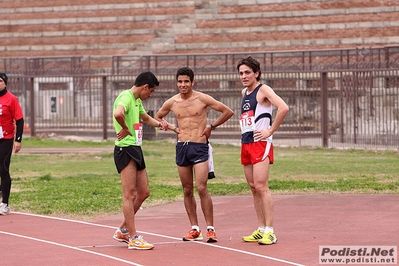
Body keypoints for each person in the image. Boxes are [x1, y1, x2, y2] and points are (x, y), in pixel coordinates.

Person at [155, 67, 234, 243]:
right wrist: (171, 127)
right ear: (177, 82)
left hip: (199, 146)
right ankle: (194, 228)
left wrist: (211, 127)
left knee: (201, 187)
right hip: (182, 146)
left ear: (192, 82)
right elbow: (158, 117)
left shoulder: (202, 98)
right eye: (180, 81)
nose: (183, 85)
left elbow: (227, 111)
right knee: (187, 189)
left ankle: (211, 229)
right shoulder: (172, 102)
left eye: (186, 81)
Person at [112, 71, 168, 250]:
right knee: (130, 194)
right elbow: (118, 113)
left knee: (144, 192)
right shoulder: (126, 97)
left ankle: (122, 230)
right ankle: (133, 237)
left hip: (135, 148)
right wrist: (125, 128)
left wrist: (162, 124)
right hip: (125, 148)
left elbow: (145, 118)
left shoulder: (137, 100)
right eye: (150, 92)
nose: (150, 95)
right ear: (145, 87)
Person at [236, 56, 289, 245]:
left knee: (261, 186)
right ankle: (260, 229)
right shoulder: (244, 92)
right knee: (252, 188)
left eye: (247, 72)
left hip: (261, 143)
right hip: (246, 143)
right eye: (241, 73)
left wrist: (270, 130)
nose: (244, 76)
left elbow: (283, 107)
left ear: (256, 73)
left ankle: (270, 230)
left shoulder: (263, 89)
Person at [0, 72, 24, 216]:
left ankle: (5, 204)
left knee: (2, 168)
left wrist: (18, 140)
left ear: (5, 83)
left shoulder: (11, 99)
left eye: (0, 81)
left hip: (6, 139)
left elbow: (20, 120)